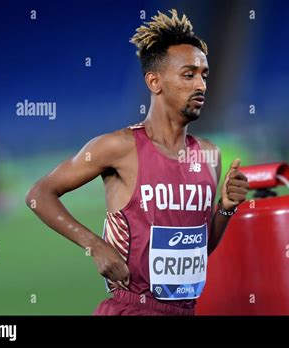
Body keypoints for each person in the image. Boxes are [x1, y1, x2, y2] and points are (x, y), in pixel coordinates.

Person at [26, 9, 249, 316]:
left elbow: (199, 248)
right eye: (189, 74)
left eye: (204, 75)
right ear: (154, 82)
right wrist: (95, 245)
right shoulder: (118, 147)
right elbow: (39, 194)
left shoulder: (210, 155)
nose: (201, 85)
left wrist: (225, 207)